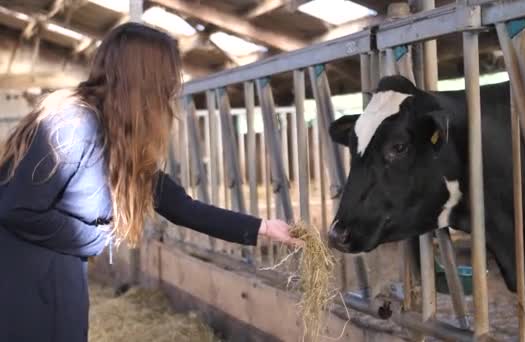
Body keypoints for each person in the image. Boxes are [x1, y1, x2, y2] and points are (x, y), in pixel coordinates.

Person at [0, 22, 301, 342]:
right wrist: (91, 239)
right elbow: (17, 209)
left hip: (56, 272)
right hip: (23, 279)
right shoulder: (75, 123)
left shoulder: (115, 138)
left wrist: (262, 227)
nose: (172, 86)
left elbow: (180, 206)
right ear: (145, 79)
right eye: (168, 75)